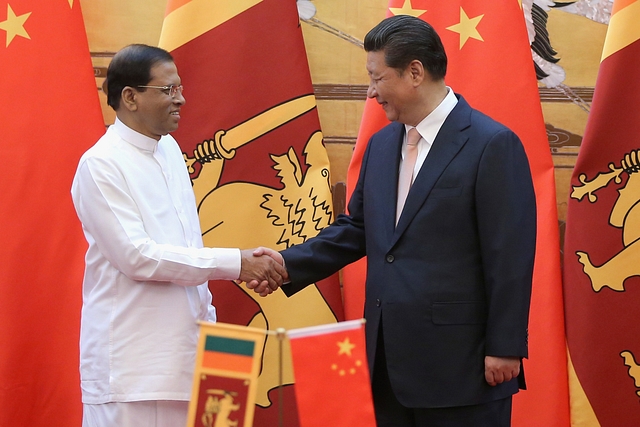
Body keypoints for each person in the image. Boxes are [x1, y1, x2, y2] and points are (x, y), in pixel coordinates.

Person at [254, 15, 536, 427]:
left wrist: (506, 346)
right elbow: (358, 228)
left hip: (463, 365)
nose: (371, 92)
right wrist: (285, 264)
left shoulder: (491, 144)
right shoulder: (382, 144)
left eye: (376, 77)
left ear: (415, 72)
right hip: (387, 361)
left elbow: (509, 255)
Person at [71, 44, 284, 427]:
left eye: (179, 88)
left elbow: (188, 250)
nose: (181, 99)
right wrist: (236, 263)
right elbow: (137, 257)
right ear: (130, 98)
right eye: (168, 90)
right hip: (136, 373)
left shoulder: (168, 149)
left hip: (199, 357)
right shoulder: (100, 164)